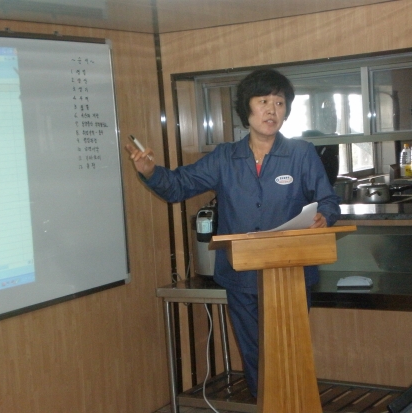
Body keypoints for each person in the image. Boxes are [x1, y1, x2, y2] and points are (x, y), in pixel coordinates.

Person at [126, 68, 341, 398]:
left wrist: (325, 215)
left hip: (292, 273)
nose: (271, 110)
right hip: (242, 277)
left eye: (279, 103)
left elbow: (328, 200)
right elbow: (177, 186)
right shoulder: (225, 157)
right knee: (256, 357)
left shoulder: (301, 154)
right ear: (247, 108)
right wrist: (150, 171)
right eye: (263, 101)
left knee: (289, 353)